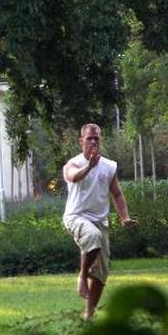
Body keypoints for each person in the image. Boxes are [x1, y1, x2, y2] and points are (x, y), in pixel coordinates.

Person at [62, 123, 137, 320]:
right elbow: (74, 177)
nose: (93, 141)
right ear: (81, 141)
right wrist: (89, 166)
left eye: (96, 138)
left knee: (102, 273)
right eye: (89, 138)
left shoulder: (109, 166)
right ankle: (82, 276)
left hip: (100, 221)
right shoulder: (73, 164)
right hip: (76, 217)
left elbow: (117, 194)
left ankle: (88, 315)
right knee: (92, 237)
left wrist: (124, 217)